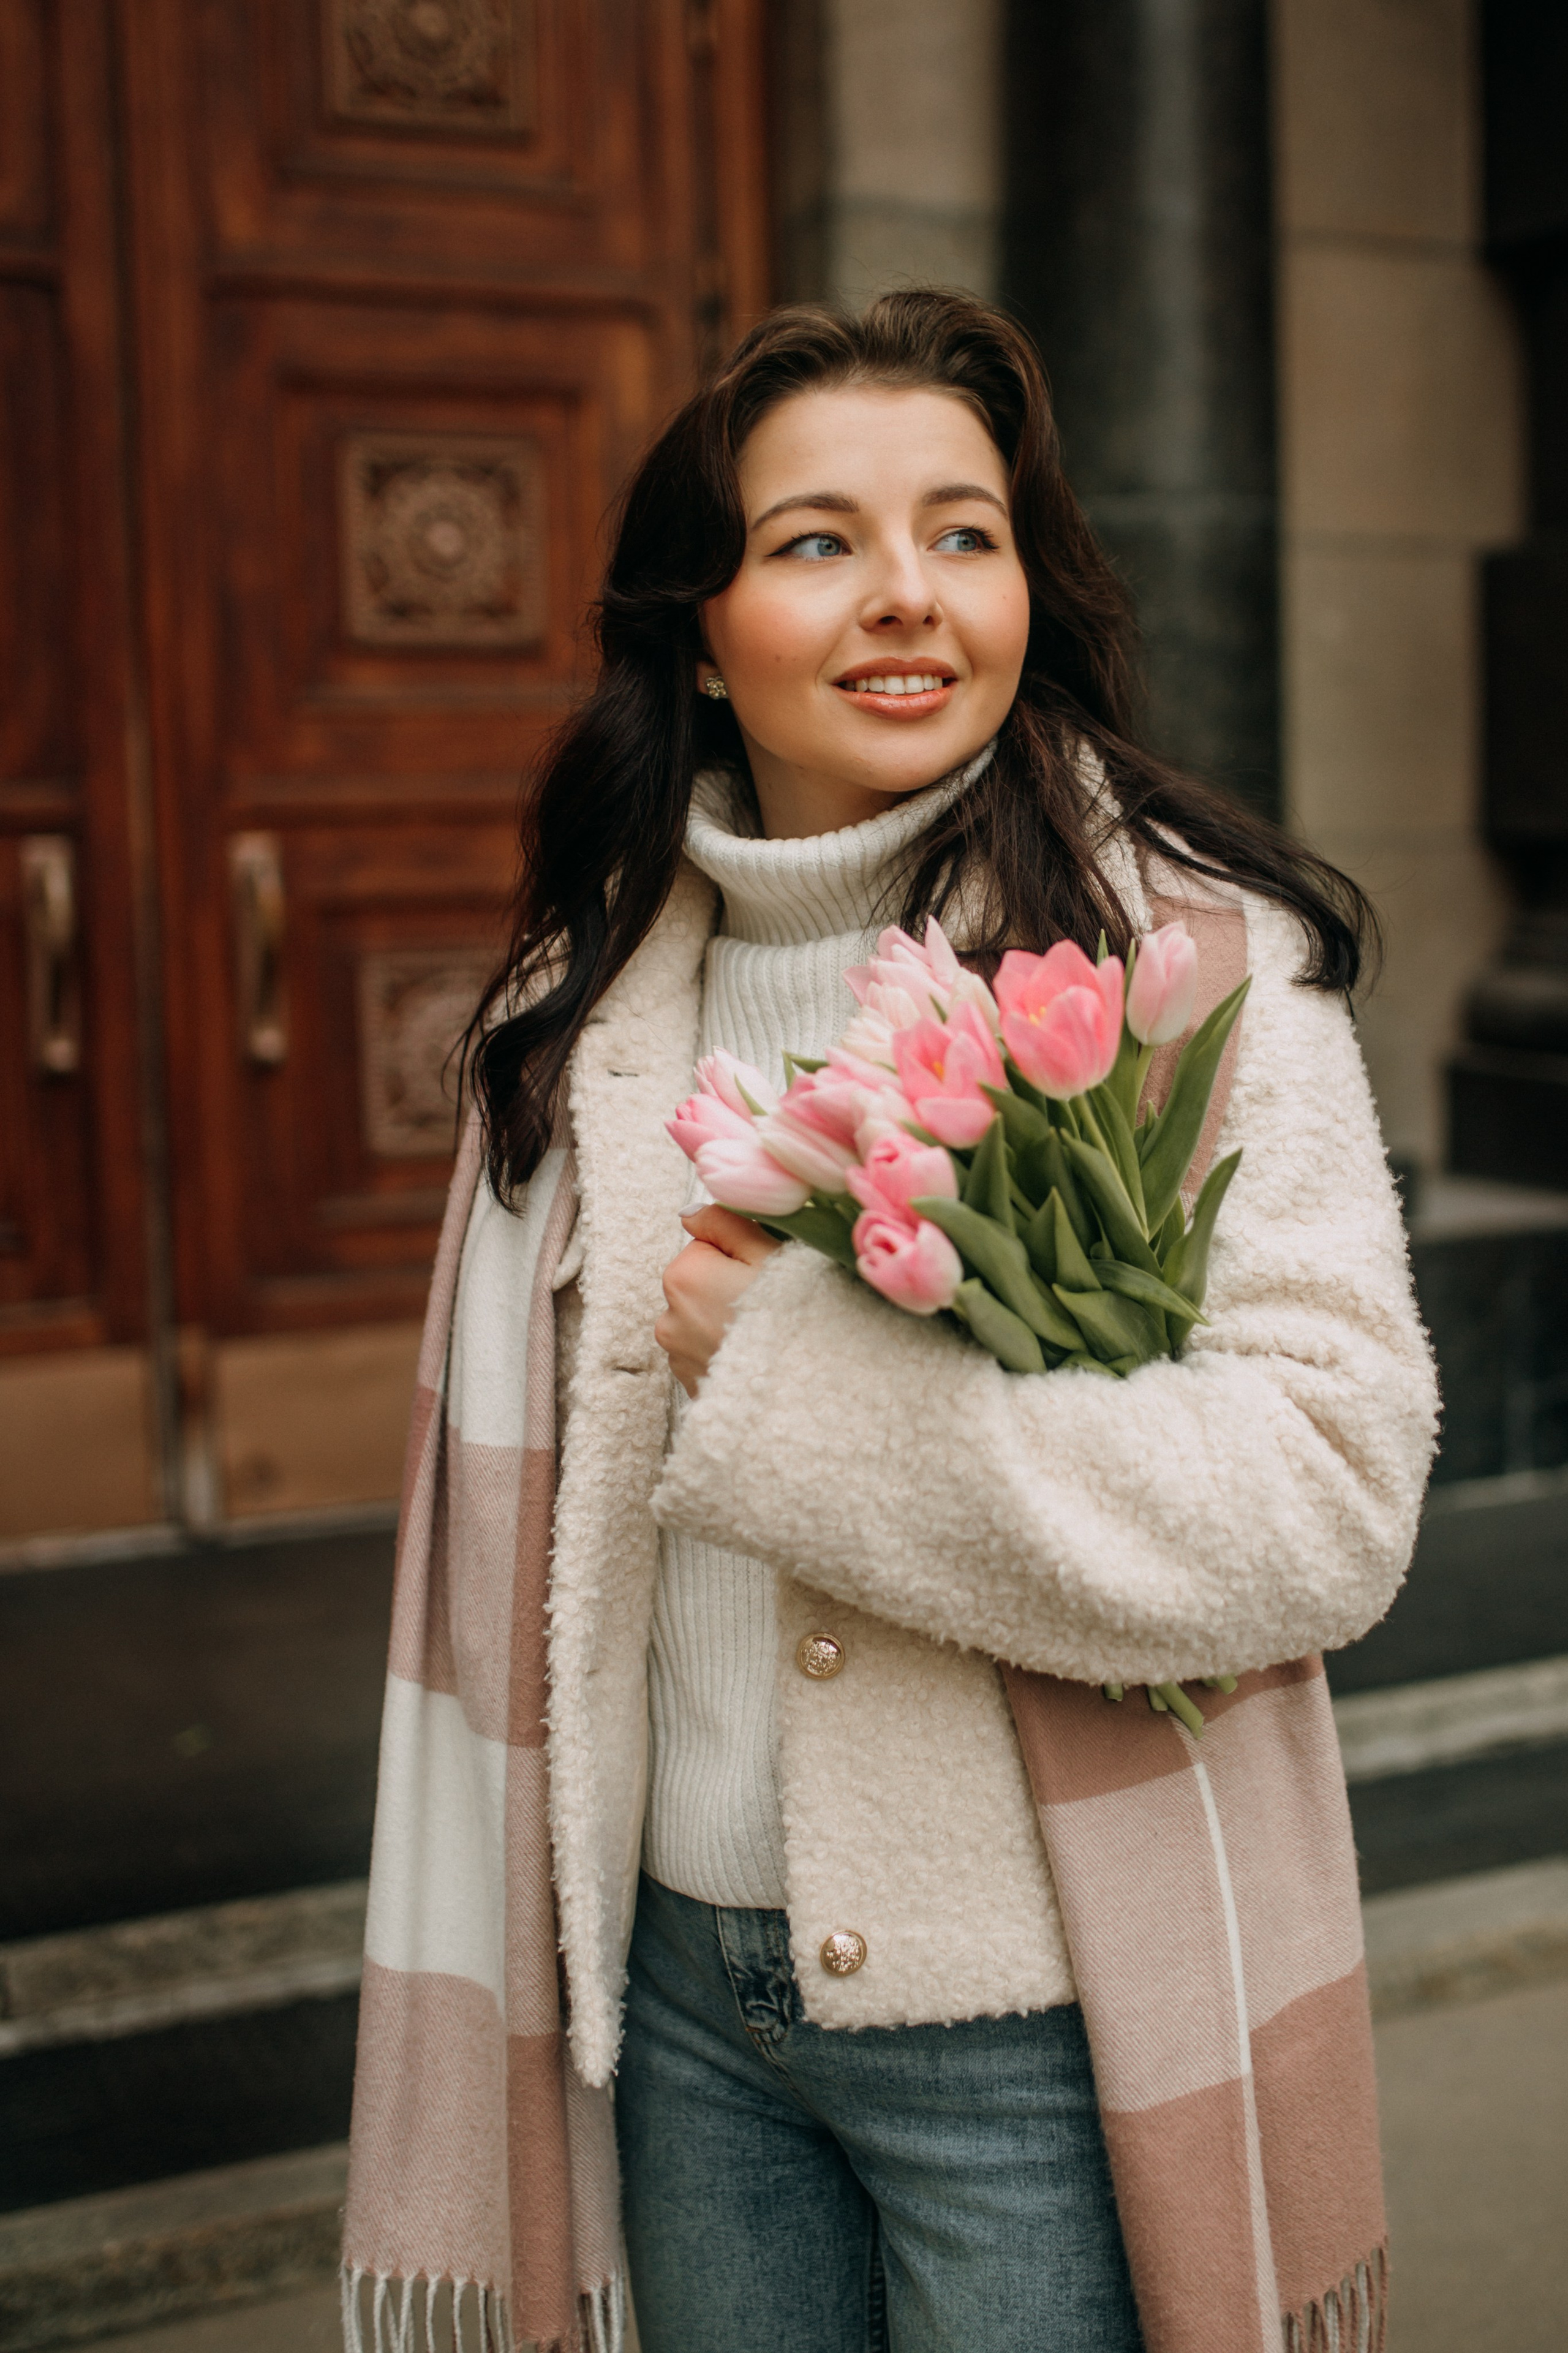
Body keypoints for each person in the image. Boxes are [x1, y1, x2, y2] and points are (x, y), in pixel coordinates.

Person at [341, 290, 1437, 2353]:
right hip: (673, 2011)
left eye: (965, 529)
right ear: (697, 623)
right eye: (818, 540)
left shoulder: (1183, 970)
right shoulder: (575, 1025)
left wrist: (798, 1390)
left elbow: (1331, 1495)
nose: (908, 595)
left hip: (1037, 2024)